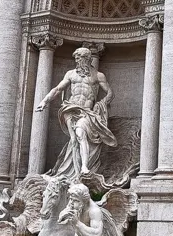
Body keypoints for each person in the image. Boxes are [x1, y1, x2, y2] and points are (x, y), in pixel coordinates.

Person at [36, 47, 116, 183]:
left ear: (87, 58)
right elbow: (58, 89)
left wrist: (102, 103)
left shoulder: (98, 75)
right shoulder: (71, 74)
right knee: (73, 140)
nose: (77, 61)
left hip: (85, 111)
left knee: (80, 133)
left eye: (79, 58)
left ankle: (84, 167)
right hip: (70, 109)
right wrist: (45, 101)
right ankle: (75, 173)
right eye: (76, 58)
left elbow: (110, 93)